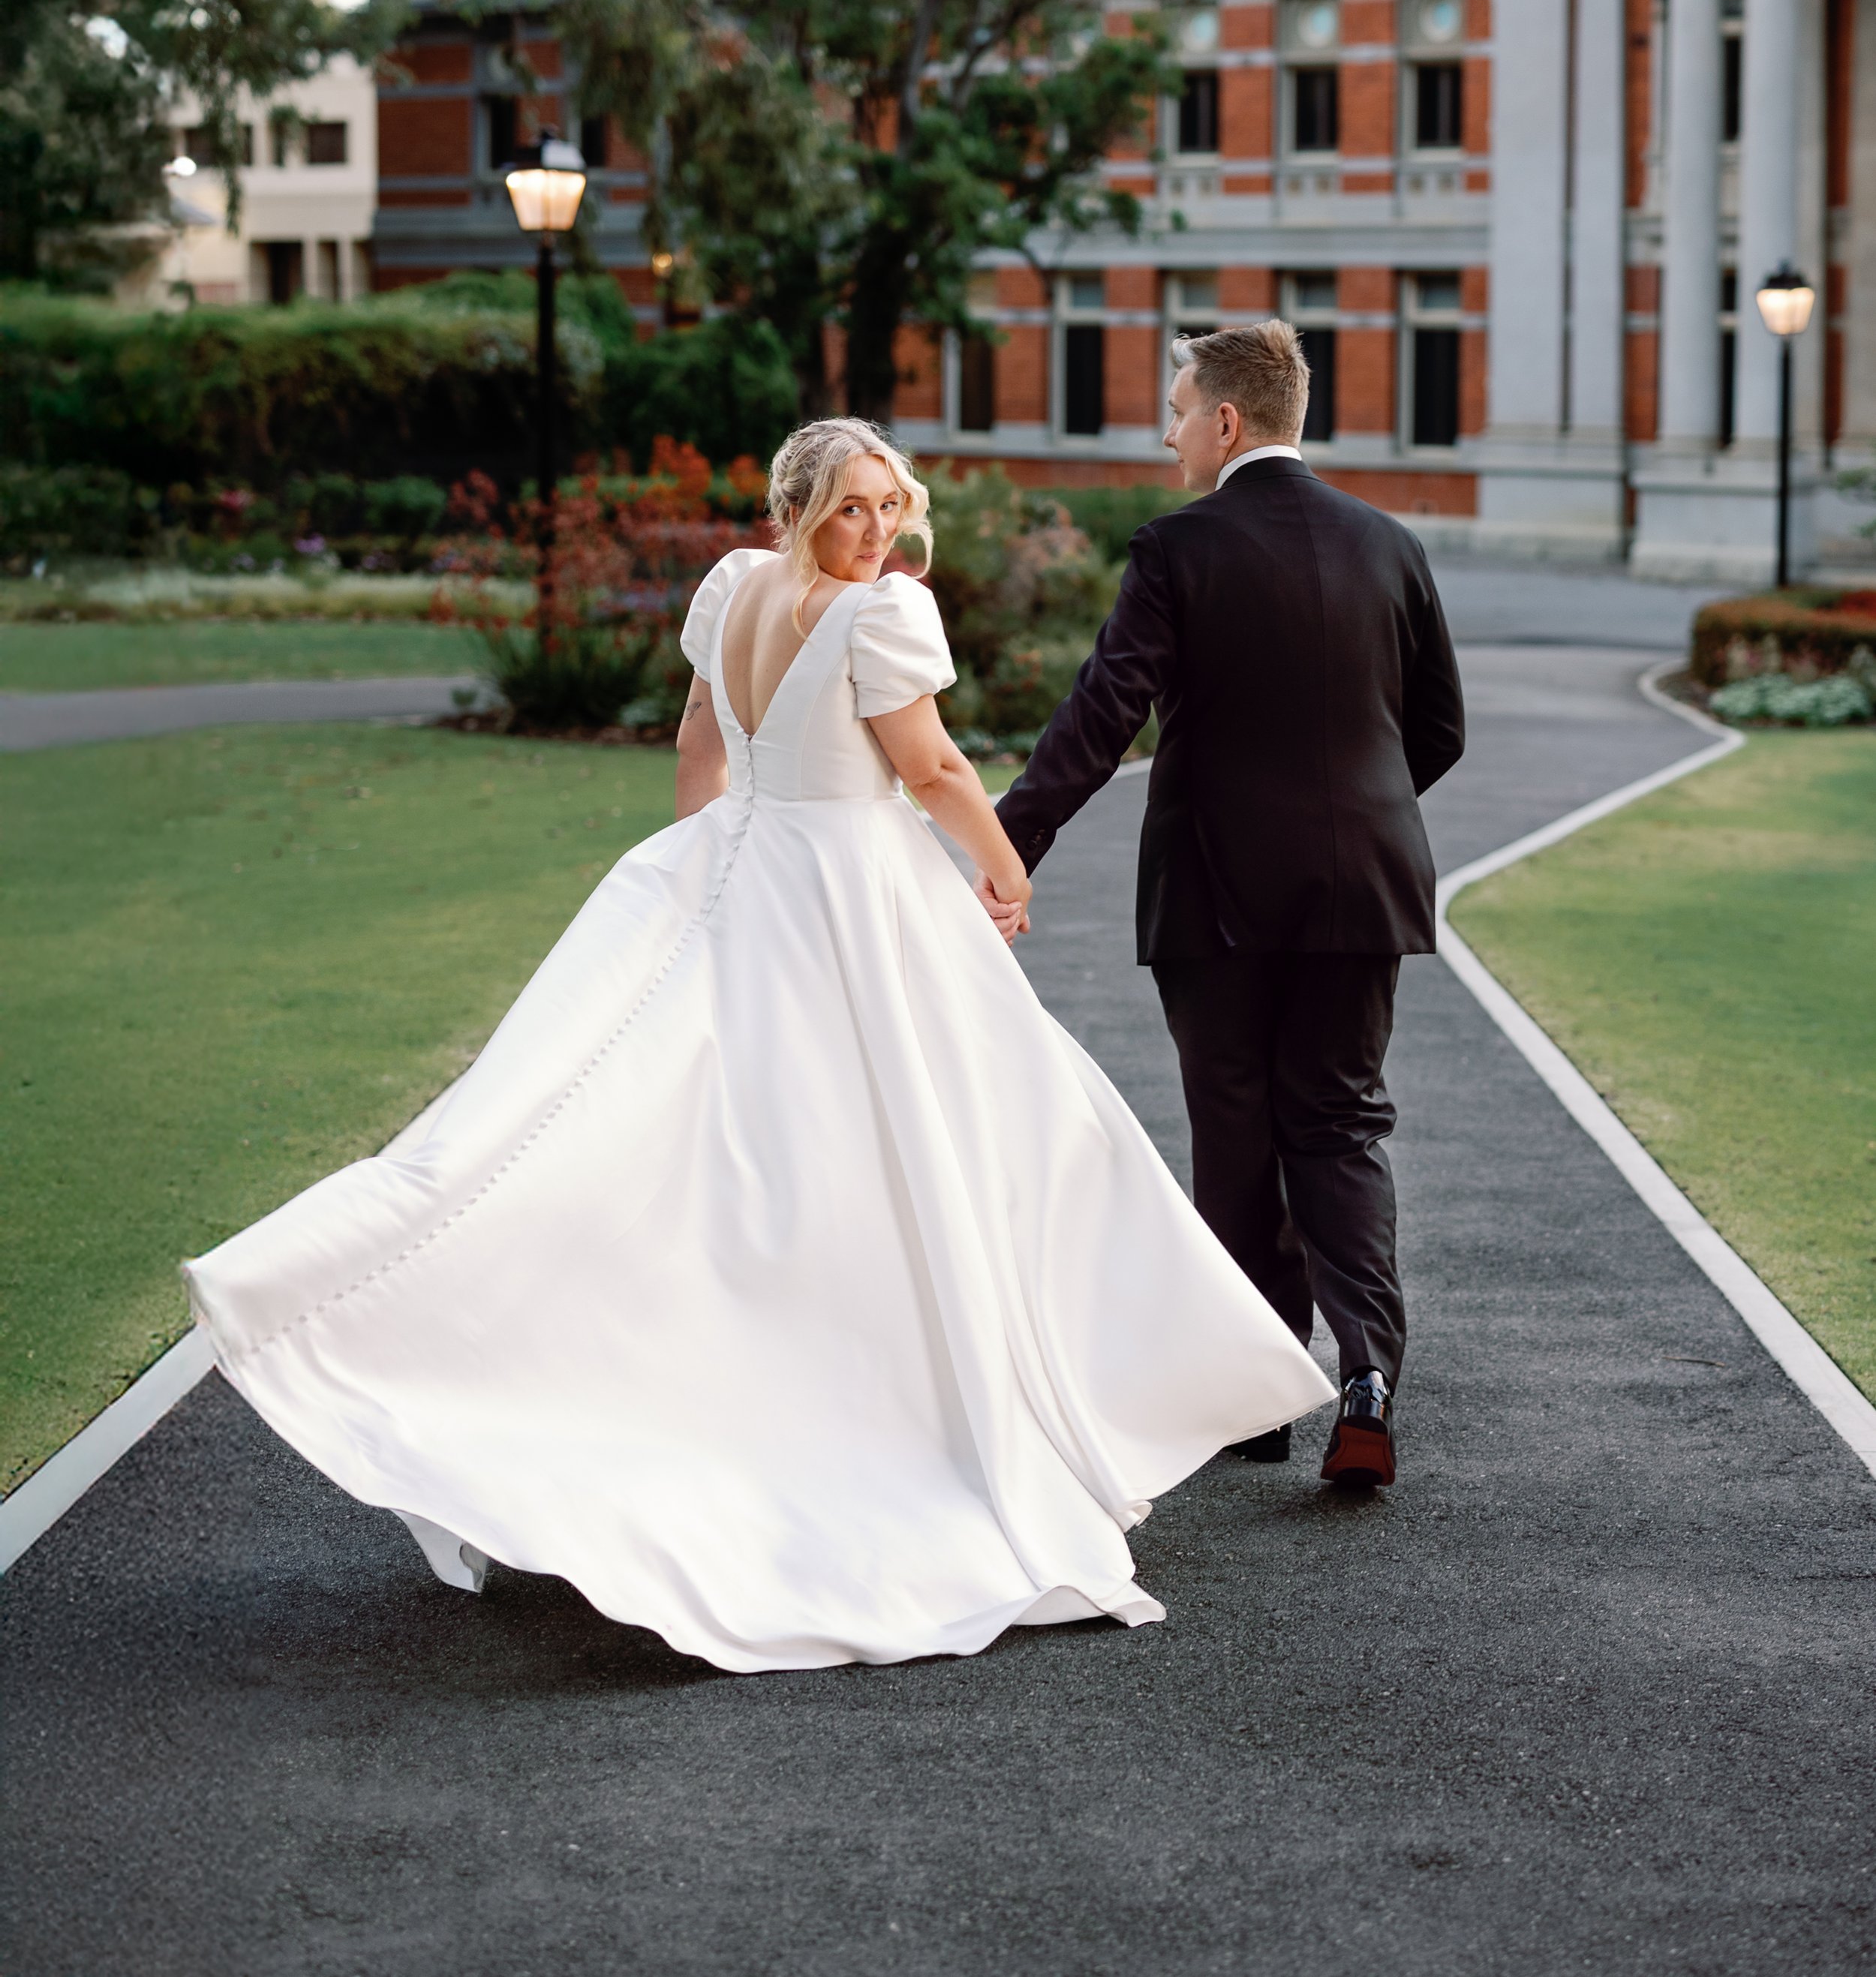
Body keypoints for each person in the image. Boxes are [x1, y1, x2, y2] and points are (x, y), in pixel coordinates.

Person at [186, 417, 1330, 1674]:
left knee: (873, 1145)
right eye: (853, 510)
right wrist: (1001, 871)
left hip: (760, 873)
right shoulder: (877, 615)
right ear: (796, 509)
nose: (881, 533)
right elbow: (934, 764)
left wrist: (708, 864)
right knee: (890, 1145)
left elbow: (701, 748)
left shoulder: (733, 586)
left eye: (892, 508)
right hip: (840, 888)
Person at [984, 325, 1465, 1489]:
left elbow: (1106, 715)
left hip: (1217, 888)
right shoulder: (1389, 545)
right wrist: (1357, 817)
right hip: (1366, 883)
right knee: (1342, 1122)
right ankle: (1366, 1378)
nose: (1167, 429)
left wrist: (1007, 843)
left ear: (1228, 425)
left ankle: (1257, 1397)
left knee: (1238, 1131)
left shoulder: (1177, 549)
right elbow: (1438, 731)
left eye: (1179, 407)